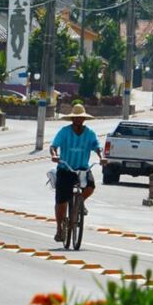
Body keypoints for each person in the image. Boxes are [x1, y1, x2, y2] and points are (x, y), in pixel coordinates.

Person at [49, 104, 106, 242]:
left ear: (84, 119)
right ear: (72, 119)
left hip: (82, 169)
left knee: (90, 186)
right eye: (76, 118)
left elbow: (97, 146)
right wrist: (54, 155)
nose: (78, 120)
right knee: (61, 200)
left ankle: (79, 205)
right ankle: (59, 229)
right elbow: (53, 146)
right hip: (66, 168)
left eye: (81, 118)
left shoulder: (90, 133)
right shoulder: (64, 131)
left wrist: (101, 157)